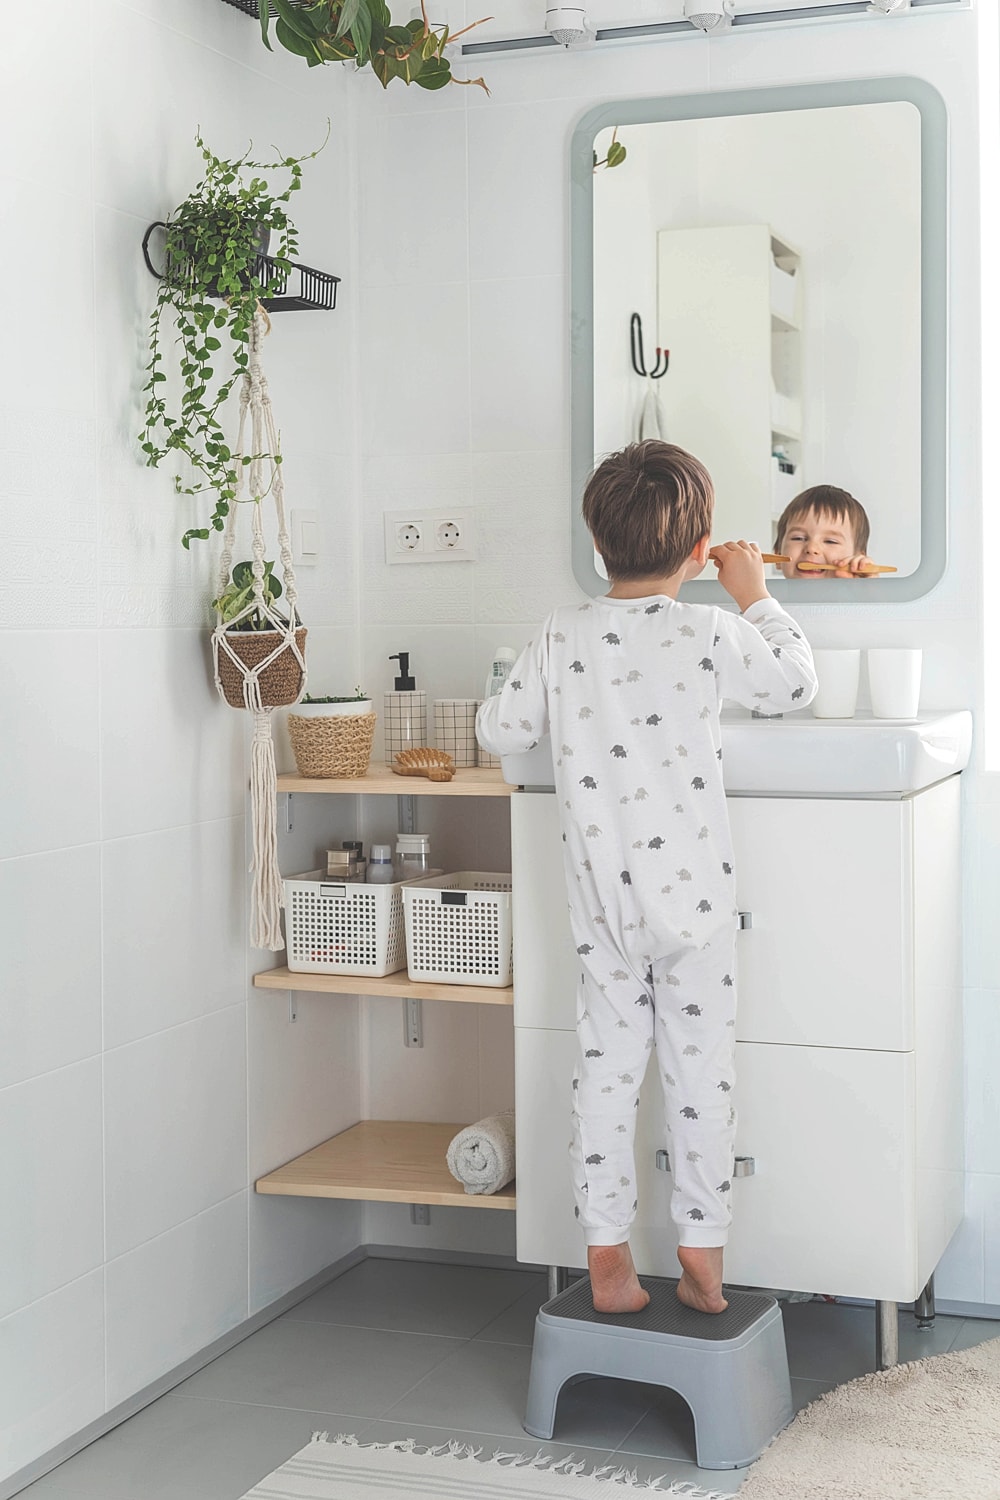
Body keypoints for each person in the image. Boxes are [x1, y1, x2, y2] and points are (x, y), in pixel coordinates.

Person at [476, 441, 817, 1318]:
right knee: (700, 1081)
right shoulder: (709, 628)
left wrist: (512, 693)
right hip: (696, 912)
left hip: (606, 915)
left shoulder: (561, 631)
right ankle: (702, 1252)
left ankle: (606, 1254)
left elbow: (502, 733)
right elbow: (794, 686)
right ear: (701, 551)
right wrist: (757, 595)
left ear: (598, 545)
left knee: (608, 1076)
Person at [774, 484, 874, 579]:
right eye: (798, 538)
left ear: (857, 558)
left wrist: (866, 591)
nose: (812, 548)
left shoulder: (862, 595)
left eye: (830, 541)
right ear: (777, 554)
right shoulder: (765, 595)